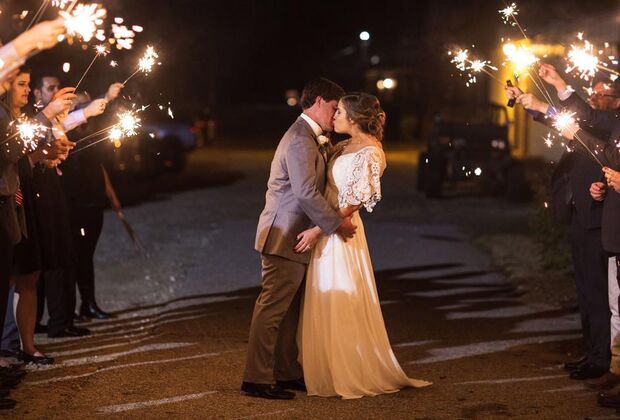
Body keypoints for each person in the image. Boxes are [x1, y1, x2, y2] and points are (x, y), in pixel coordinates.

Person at [295, 93, 431, 398]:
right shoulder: (345, 145)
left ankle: (349, 368)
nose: (334, 116)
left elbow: (355, 201)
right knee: (324, 292)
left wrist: (318, 229)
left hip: (340, 230)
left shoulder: (371, 152)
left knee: (342, 293)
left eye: (340, 112)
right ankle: (324, 367)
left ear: (354, 118)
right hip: (328, 223)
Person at [242, 78, 357, 400]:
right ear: (318, 101)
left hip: (294, 234)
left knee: (290, 310)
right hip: (284, 234)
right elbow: (305, 192)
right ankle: (256, 378)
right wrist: (336, 223)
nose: (335, 115)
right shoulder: (299, 139)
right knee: (272, 309)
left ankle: (286, 372)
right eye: (333, 108)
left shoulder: (311, 137)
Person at [506, 71, 612, 381]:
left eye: (601, 93)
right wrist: (528, 102)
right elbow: (559, 120)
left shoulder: (609, 124)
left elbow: (577, 121)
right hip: (580, 214)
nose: (594, 97)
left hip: (598, 218)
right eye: (592, 92)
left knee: (598, 292)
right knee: (584, 289)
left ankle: (602, 357)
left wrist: (552, 92)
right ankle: (591, 351)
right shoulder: (591, 120)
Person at [61, 82, 124, 321]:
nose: (85, 108)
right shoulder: (63, 132)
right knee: (75, 255)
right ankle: (68, 310)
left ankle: (88, 304)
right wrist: (106, 95)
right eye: (79, 105)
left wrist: (111, 194)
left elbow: (98, 166)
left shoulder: (91, 132)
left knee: (87, 253)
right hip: (72, 201)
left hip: (93, 200)